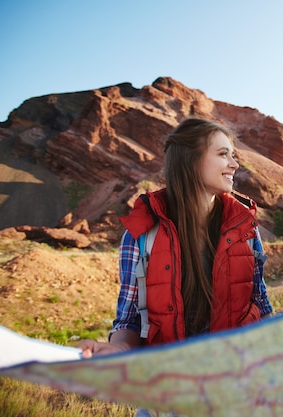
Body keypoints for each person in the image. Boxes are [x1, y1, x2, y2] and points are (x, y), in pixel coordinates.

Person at [78, 117, 273, 357]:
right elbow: (129, 319)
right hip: (171, 381)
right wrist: (118, 348)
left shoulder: (247, 228)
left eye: (233, 156)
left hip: (237, 376)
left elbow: (260, 304)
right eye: (224, 154)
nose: (234, 164)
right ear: (191, 161)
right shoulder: (140, 236)